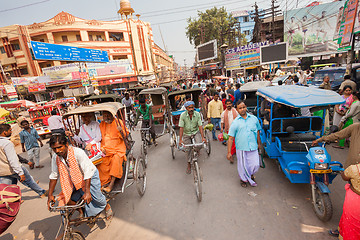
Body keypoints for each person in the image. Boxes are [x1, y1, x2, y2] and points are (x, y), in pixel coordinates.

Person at [47, 134, 112, 219]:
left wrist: (87, 192)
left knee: (97, 198)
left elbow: (87, 172)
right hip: (73, 179)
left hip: (90, 176)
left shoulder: (78, 152)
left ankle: (106, 206)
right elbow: (54, 176)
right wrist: (50, 195)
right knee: (67, 199)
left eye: (60, 147)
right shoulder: (56, 157)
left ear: (66, 144)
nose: (57, 150)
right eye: (54, 148)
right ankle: (81, 211)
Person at [0, 124, 47, 198]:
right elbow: (13, 159)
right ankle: (41, 192)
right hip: (13, 169)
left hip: (3, 171)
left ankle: (12, 201)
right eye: (10, 130)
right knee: (29, 181)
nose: (11, 132)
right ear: (4, 132)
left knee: (8, 188)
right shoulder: (7, 143)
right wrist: (20, 172)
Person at [227, 101, 262, 187]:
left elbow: (257, 132)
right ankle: (243, 179)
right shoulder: (235, 122)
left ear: (246, 107)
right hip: (241, 147)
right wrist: (229, 152)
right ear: (237, 110)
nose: (242, 109)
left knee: (255, 164)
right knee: (243, 165)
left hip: (253, 146)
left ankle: (251, 174)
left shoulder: (254, 119)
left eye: (243, 107)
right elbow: (230, 138)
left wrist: (259, 143)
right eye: (240, 108)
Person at [98, 111, 128, 192]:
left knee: (116, 160)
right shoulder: (102, 124)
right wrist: (102, 148)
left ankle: (111, 185)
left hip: (118, 148)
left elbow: (126, 135)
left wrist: (121, 131)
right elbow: (100, 138)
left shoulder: (118, 122)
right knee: (101, 163)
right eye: (105, 116)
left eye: (108, 115)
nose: (107, 118)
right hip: (106, 149)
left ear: (112, 115)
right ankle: (105, 183)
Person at [178, 101, 206, 174]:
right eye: (189, 108)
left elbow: (200, 126)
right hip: (186, 133)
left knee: (199, 145)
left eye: (192, 107)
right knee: (188, 149)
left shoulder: (197, 114)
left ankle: (197, 151)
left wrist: (203, 137)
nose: (191, 109)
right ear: (186, 108)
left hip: (195, 132)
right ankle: (189, 164)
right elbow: (181, 127)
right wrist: (180, 139)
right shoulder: (183, 115)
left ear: (194, 108)